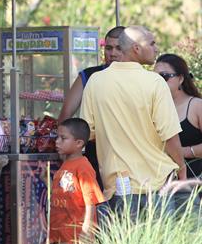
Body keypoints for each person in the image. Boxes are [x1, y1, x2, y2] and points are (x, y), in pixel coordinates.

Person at [80, 26, 186, 221]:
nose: (156, 48)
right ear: (136, 48)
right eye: (152, 43)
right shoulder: (154, 82)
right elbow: (170, 135)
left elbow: (88, 131)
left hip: (116, 185)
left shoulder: (95, 81)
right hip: (156, 183)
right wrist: (182, 170)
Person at [58, 26, 125, 187]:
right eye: (108, 48)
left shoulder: (142, 78)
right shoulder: (88, 75)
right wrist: (67, 145)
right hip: (96, 152)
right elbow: (66, 114)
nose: (112, 53)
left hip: (128, 153)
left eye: (118, 48)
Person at [49, 118, 105, 244]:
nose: (57, 141)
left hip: (77, 237)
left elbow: (90, 201)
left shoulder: (82, 167)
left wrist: (87, 228)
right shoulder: (66, 164)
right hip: (61, 235)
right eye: (57, 137)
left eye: (63, 138)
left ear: (79, 143)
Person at [155, 54, 202, 179]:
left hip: (194, 181)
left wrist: (181, 152)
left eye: (164, 76)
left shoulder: (197, 106)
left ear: (180, 79)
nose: (158, 81)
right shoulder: (152, 107)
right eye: (154, 77)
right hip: (162, 183)